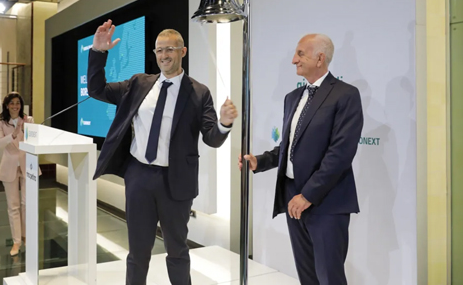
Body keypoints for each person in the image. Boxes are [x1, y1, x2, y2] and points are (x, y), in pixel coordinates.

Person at [88, 20, 238, 285]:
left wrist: (224, 124)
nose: (164, 55)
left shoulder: (199, 92)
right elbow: (96, 89)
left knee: (177, 251)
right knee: (137, 252)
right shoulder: (138, 84)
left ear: (183, 51)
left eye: (170, 49)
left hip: (176, 180)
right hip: (139, 176)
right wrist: (98, 52)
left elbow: (212, 138)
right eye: (159, 50)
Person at [240, 34, 363, 285]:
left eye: (300, 54)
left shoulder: (345, 95)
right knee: (307, 276)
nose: (294, 60)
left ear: (320, 58)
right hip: (292, 198)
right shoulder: (293, 97)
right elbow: (289, 147)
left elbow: (340, 154)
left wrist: (307, 195)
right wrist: (259, 161)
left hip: (325, 202)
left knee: (329, 277)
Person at [0, 92, 35, 256]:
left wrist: (24, 130)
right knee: (13, 206)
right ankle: (16, 241)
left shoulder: (28, 120)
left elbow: (33, 140)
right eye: (12, 103)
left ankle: (27, 237)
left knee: (27, 204)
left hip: (27, 164)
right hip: (9, 166)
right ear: (6, 105)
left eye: (18, 103)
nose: (15, 106)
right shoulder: (0, 122)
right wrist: (13, 134)